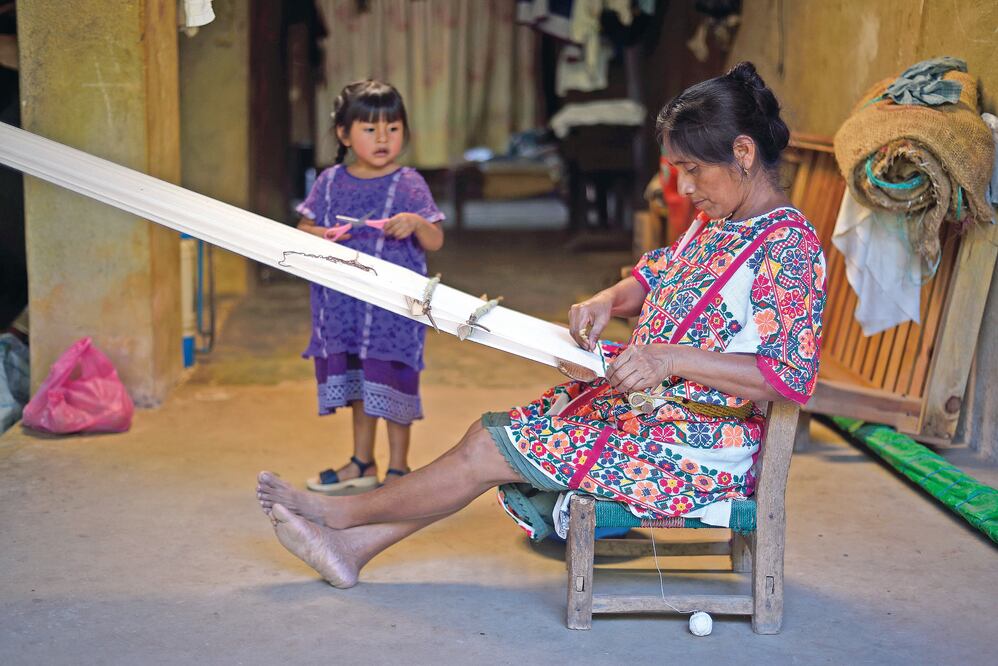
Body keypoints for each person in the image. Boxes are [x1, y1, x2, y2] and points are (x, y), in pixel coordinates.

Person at [257, 62, 826, 588]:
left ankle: (338, 514)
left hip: (698, 450)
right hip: (655, 420)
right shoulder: (716, 223)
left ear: (744, 152)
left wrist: (669, 359)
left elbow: (787, 378)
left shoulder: (788, 247)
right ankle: (350, 552)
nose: (684, 189)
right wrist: (607, 299)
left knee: (490, 448)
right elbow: (655, 277)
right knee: (490, 436)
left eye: (693, 170)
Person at [295, 80, 444, 494]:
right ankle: (363, 463)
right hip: (344, 308)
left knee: (393, 381)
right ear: (344, 134)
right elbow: (302, 228)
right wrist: (322, 233)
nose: (383, 138)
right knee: (361, 383)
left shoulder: (409, 183)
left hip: (392, 313)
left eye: (393, 128)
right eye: (369, 128)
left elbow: (435, 239)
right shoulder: (328, 182)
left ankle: (399, 469)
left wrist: (416, 223)